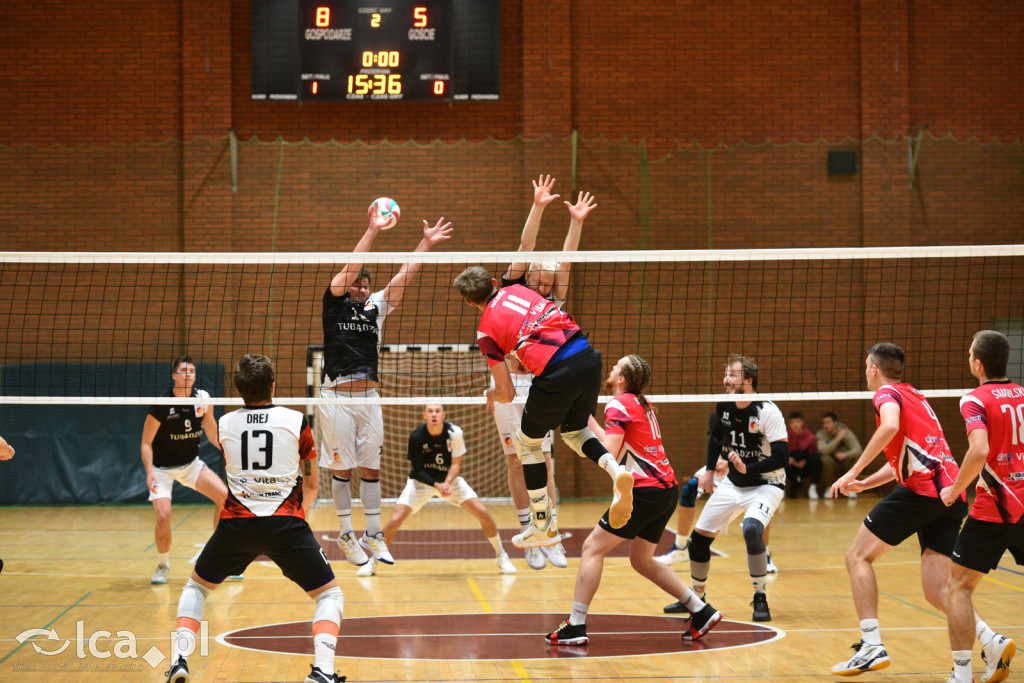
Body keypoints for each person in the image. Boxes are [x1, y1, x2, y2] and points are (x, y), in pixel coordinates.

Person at [829, 342, 1009, 677]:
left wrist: (852, 470)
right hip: (950, 496)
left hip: (923, 493)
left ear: (873, 369)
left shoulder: (885, 396)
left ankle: (871, 645)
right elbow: (906, 457)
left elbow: (890, 428)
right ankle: (991, 640)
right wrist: (866, 483)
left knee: (857, 556)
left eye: (866, 366)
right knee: (939, 590)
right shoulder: (916, 395)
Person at [166, 354, 345, 683]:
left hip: (236, 525)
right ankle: (323, 672)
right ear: (273, 385)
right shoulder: (297, 421)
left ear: (238, 390)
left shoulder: (225, 425)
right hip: (286, 524)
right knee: (329, 596)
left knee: (195, 589)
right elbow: (313, 484)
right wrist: (295, 518)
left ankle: (179, 660)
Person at [453, 266, 633, 550]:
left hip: (556, 372)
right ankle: (617, 471)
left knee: (527, 446)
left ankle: (542, 526)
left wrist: (491, 393)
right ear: (492, 282)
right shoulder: (518, 289)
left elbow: (507, 391)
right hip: (588, 358)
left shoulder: (486, 332)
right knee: (575, 432)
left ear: (468, 302)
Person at [546, 356, 722, 645]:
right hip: (665, 490)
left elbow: (609, 453)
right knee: (641, 560)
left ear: (622, 379)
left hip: (644, 491)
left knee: (592, 548)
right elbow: (616, 444)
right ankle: (700, 609)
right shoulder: (642, 403)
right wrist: (586, 416)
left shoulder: (618, 404)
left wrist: (579, 421)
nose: (612, 368)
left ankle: (576, 624)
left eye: (616, 366)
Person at [319, 206, 453, 569]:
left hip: (368, 397)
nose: (361, 287)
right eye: (357, 283)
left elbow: (403, 278)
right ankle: (346, 533)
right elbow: (351, 265)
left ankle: (373, 534)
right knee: (342, 469)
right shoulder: (334, 305)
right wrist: (373, 229)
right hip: (335, 397)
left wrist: (425, 244)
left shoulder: (375, 307)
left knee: (371, 468)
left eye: (365, 283)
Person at [492, 175, 593, 571]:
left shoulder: (554, 301)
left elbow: (568, 261)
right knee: (516, 460)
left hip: (541, 382)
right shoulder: (512, 286)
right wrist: (538, 205)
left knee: (544, 459)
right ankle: (530, 535)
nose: (547, 279)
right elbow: (525, 246)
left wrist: (576, 222)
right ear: (529, 274)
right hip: (507, 383)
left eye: (551, 277)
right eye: (541, 273)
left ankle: (549, 531)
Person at [678, 355, 787, 623]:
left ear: (748, 381)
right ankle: (696, 600)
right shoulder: (725, 404)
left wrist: (748, 468)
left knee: (751, 529)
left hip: (767, 483)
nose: (726, 380)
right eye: (725, 375)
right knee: (699, 540)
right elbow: (716, 437)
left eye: (733, 376)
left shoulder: (767, 411)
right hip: (733, 483)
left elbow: (782, 456)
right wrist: (710, 472)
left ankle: (760, 598)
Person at [940, 331, 1021, 683]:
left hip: (997, 506)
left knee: (957, 586)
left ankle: (962, 675)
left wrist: (954, 489)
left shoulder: (974, 399)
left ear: (977, 363)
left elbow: (979, 451)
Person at [357, 404, 517, 577]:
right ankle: (373, 562)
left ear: (443, 415)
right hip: (421, 483)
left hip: (449, 481)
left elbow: (456, 464)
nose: (434, 414)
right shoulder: (417, 437)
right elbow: (418, 470)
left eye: (437, 411)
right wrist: (437, 486)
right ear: (425, 415)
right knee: (395, 520)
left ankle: (502, 556)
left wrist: (447, 482)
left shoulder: (454, 433)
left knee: (482, 512)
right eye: (430, 411)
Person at [141, 356, 226, 585]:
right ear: (174, 375)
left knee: (225, 499)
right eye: (184, 371)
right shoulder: (161, 403)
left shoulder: (203, 398)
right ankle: (163, 564)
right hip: (162, 470)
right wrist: (149, 472)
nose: (189, 374)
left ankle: (219, 559)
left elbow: (211, 429)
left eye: (192, 371)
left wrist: (227, 450)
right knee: (163, 516)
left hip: (191, 466)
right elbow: (146, 443)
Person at [817, 411, 863, 494]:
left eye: (828, 422)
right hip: (833, 465)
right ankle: (829, 488)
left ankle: (851, 488)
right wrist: (838, 439)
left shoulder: (845, 432)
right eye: (824, 423)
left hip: (846, 463)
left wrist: (846, 455)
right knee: (824, 459)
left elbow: (858, 449)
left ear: (835, 423)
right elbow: (823, 450)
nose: (825, 425)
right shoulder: (821, 434)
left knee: (857, 459)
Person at [786, 411, 822, 499]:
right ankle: (781, 488)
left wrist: (804, 462)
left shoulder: (811, 437)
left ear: (802, 423)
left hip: (805, 465)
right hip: (792, 465)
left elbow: (812, 453)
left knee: (817, 460)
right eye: (792, 422)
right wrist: (794, 462)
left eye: (797, 422)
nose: (795, 425)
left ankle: (813, 487)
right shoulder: (785, 437)